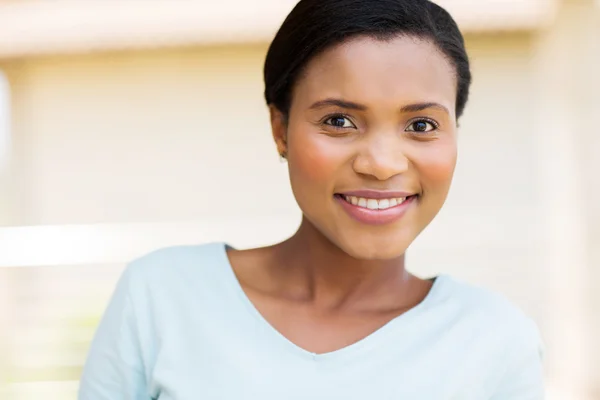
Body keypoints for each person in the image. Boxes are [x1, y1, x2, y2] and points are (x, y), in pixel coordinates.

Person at [79, 0, 545, 399]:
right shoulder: (161, 297)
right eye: (339, 121)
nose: (382, 164)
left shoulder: (496, 342)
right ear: (279, 129)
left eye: (421, 125)